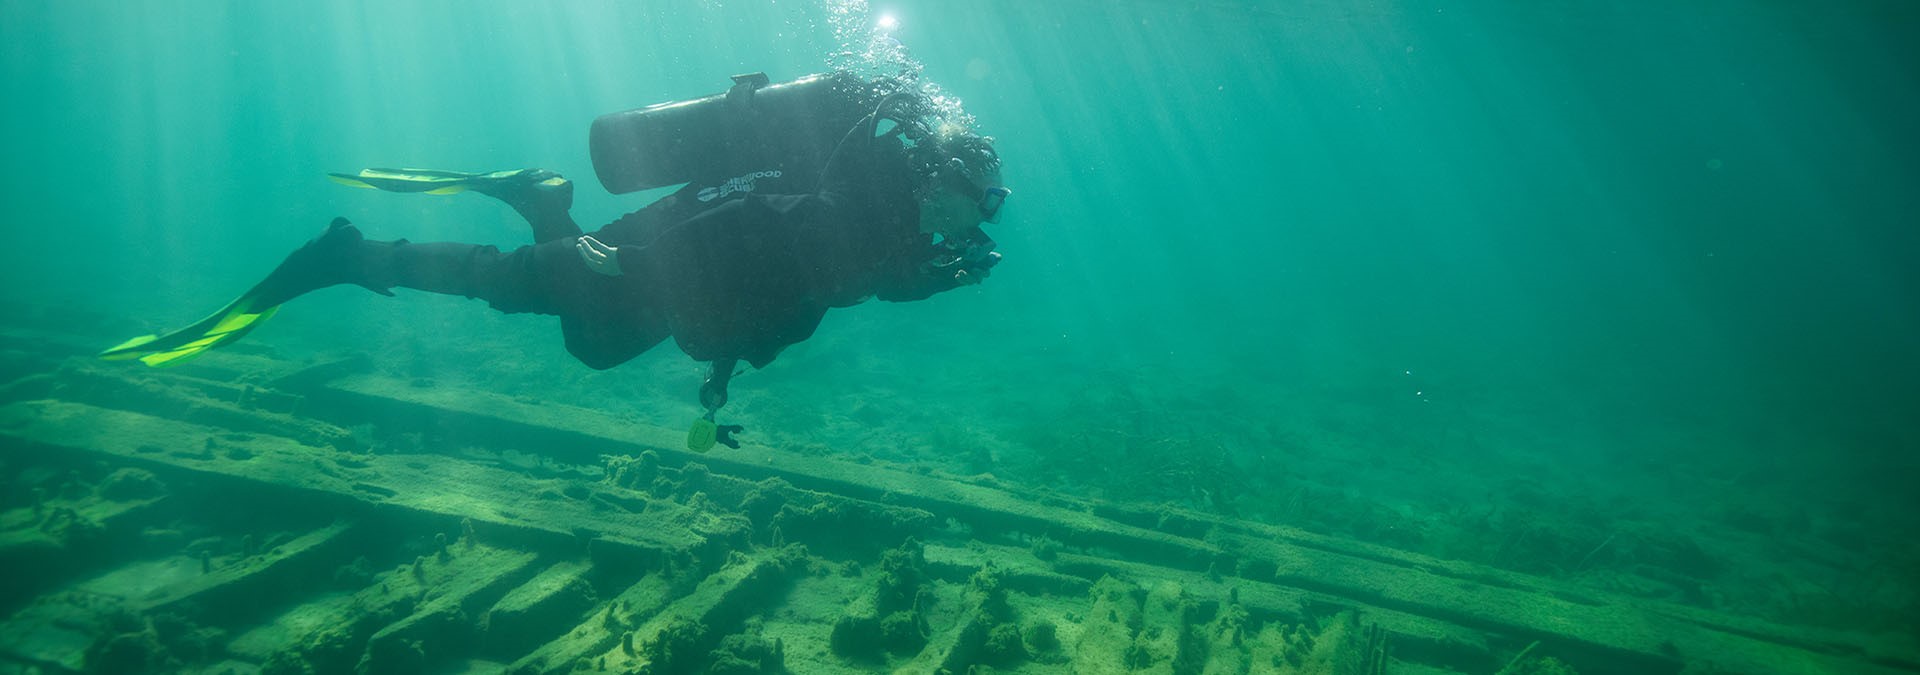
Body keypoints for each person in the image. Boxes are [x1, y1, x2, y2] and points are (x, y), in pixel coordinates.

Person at [101, 72, 1012, 450]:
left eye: (973, 216)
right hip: (654, 255)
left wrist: (721, 375)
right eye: (963, 203)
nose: (959, 228)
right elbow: (748, 227)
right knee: (510, 285)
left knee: (594, 349)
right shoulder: (850, 208)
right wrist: (634, 262)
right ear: (934, 176)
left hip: (678, 286)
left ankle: (540, 198)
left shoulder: (889, 236)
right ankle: (347, 253)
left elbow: (799, 287)